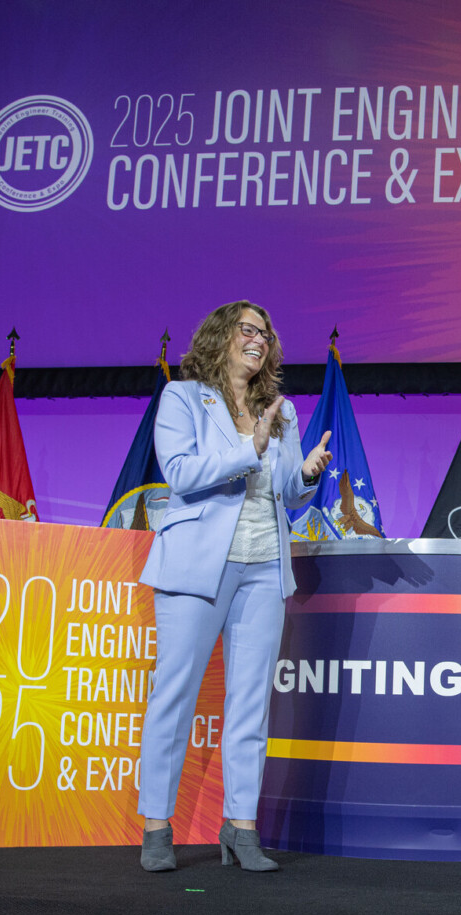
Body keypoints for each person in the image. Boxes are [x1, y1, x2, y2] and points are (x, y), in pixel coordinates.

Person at [136, 301, 332, 872]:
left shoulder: (281, 410)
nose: (259, 339)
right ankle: (156, 828)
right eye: (248, 329)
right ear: (222, 336)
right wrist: (251, 447)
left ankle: (241, 827)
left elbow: (287, 492)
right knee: (174, 696)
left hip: (264, 567)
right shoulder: (183, 397)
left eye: (266, 333)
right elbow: (180, 472)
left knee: (250, 704)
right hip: (198, 567)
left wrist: (307, 474)